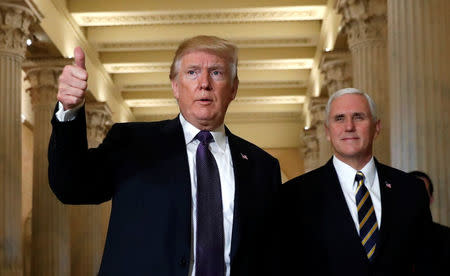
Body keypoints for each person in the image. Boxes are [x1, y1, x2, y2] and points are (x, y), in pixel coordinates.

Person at [49, 35, 281, 276]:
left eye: (216, 73)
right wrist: (69, 110)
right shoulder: (132, 143)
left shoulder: (262, 168)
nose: (204, 83)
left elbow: (272, 255)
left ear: (233, 88)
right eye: (192, 72)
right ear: (175, 86)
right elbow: (71, 186)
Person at [281, 88, 435, 276]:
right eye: (339, 118)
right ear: (327, 131)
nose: (349, 127)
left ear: (376, 127)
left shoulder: (410, 190)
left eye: (358, 117)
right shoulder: (294, 196)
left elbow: (427, 264)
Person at [409, 171, 450, 275]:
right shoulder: (387, 236)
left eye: (421, 193)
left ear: (431, 199)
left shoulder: (446, 237)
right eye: (410, 193)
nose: (415, 199)